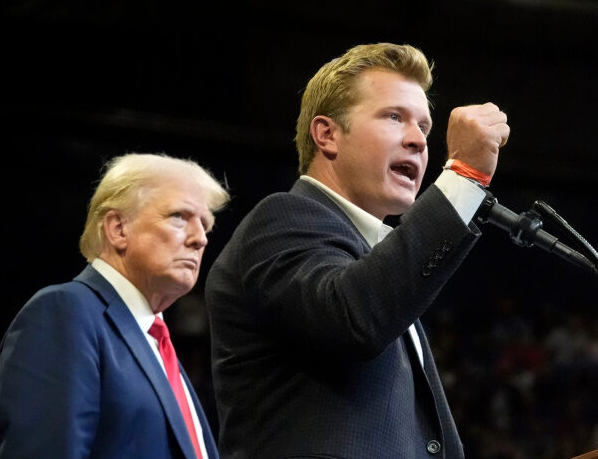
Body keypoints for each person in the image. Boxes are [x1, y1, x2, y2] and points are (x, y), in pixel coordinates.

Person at [205, 43, 510, 458]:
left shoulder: (379, 263)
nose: (419, 142)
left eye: (424, 127)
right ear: (327, 134)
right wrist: (463, 177)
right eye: (394, 117)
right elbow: (355, 317)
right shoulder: (281, 219)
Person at [0, 153, 229, 459]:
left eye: (205, 225)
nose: (200, 239)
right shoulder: (64, 313)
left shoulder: (153, 340)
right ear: (118, 228)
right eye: (179, 216)